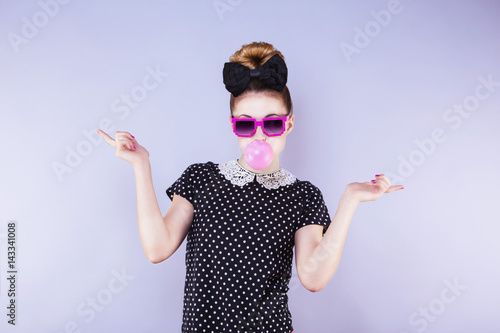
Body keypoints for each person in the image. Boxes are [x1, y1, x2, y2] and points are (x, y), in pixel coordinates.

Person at [98, 41, 404, 333]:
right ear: (232, 125)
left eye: (271, 123)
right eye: (246, 124)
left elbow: (312, 278)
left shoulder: (302, 196)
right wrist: (142, 165)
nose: (259, 137)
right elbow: (157, 248)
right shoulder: (200, 179)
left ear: (290, 124)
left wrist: (349, 201)